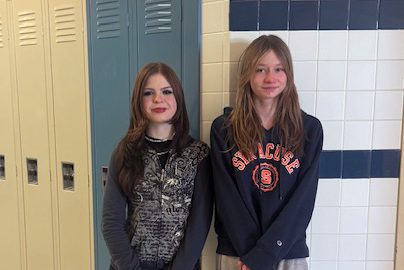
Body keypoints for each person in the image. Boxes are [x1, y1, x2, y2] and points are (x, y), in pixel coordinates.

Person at [210, 35, 323, 270]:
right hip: (239, 254)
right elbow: (226, 198)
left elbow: (302, 201)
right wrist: (254, 257)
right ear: (247, 75)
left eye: (278, 69)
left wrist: (266, 253)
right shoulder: (224, 129)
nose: (270, 78)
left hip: (287, 250)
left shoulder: (310, 129)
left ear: (288, 75)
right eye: (260, 69)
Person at [102, 62, 213, 270]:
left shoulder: (198, 154)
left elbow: (200, 223)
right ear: (138, 100)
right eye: (148, 93)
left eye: (166, 91)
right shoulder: (124, 153)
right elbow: (111, 223)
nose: (157, 99)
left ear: (177, 97)